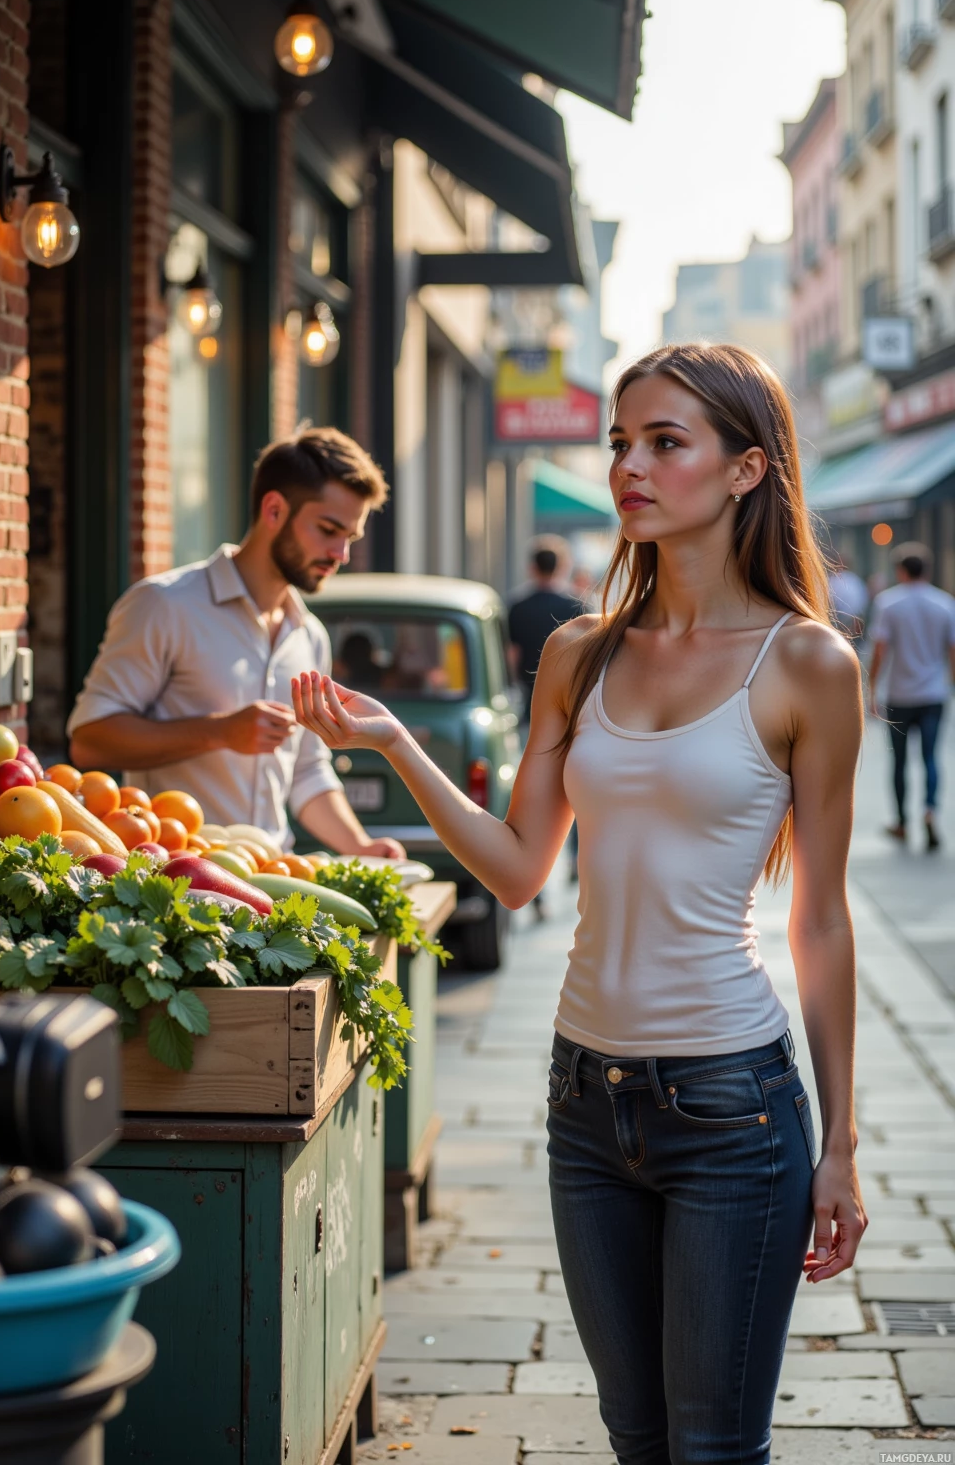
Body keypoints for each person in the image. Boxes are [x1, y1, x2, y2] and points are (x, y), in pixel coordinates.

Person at [291, 343, 867, 1465]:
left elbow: (824, 921)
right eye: (619, 442)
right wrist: (394, 739)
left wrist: (838, 1143)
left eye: (665, 442)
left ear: (747, 470)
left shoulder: (807, 664)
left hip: (733, 1108)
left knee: (709, 1448)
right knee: (635, 1436)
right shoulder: (575, 654)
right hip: (581, 1100)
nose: (629, 468)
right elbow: (515, 870)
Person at [67, 427, 405, 861]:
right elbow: (90, 740)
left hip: (272, 884)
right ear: (274, 509)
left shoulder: (310, 635)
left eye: (350, 538)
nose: (341, 553)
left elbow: (306, 770)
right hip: (176, 883)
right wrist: (219, 732)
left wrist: (362, 847)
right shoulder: (164, 605)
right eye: (328, 530)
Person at [507, 540, 581, 912]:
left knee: (531, 790)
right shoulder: (576, 608)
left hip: (529, 706)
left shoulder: (517, 608)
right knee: (577, 789)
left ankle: (535, 885)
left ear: (532, 568)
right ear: (562, 566)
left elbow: (512, 658)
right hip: (575, 707)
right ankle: (575, 862)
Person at [867, 541, 955, 851]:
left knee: (900, 761)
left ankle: (902, 822)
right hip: (933, 693)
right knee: (931, 757)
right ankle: (930, 810)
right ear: (927, 570)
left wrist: (871, 687)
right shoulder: (945, 603)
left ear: (900, 571)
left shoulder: (888, 603)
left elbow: (879, 650)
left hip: (899, 694)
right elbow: (952, 650)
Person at [827, 552, 869, 642]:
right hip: (838, 621)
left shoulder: (853, 580)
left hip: (848, 621)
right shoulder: (833, 580)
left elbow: (860, 603)